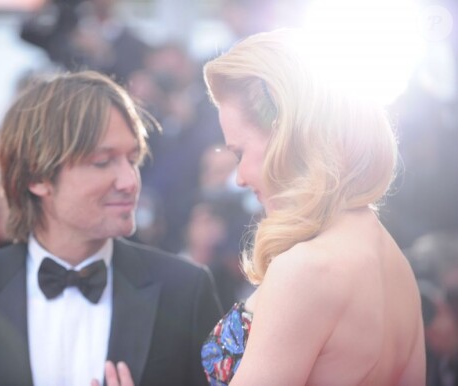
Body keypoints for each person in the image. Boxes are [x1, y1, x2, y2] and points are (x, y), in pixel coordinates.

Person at [102, 29, 426, 386]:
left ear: (285, 138)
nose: (239, 177)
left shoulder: (306, 270)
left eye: (239, 153)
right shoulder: (394, 261)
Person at [0, 70, 222, 386]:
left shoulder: (185, 290)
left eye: (132, 160)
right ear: (37, 177)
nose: (130, 182)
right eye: (103, 161)